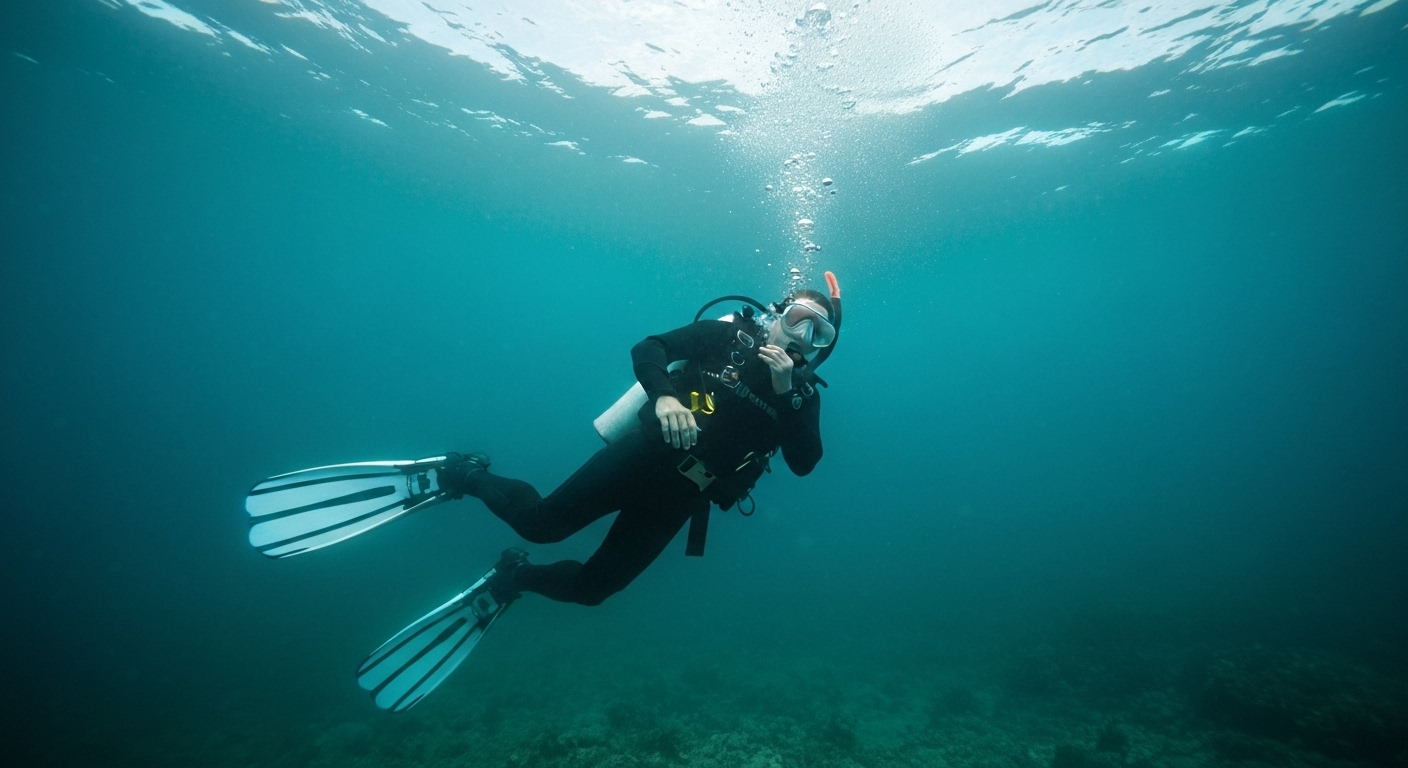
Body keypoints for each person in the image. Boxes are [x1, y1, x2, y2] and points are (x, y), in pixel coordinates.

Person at [436, 283, 840, 606]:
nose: (803, 337)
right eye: (797, 320)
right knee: (541, 526)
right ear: (775, 317)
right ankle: (462, 472)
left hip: (685, 495)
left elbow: (805, 462)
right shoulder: (727, 338)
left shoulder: (803, 397)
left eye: (818, 333)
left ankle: (513, 576)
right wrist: (663, 395)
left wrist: (786, 392)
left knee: (593, 590)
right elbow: (651, 347)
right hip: (644, 455)